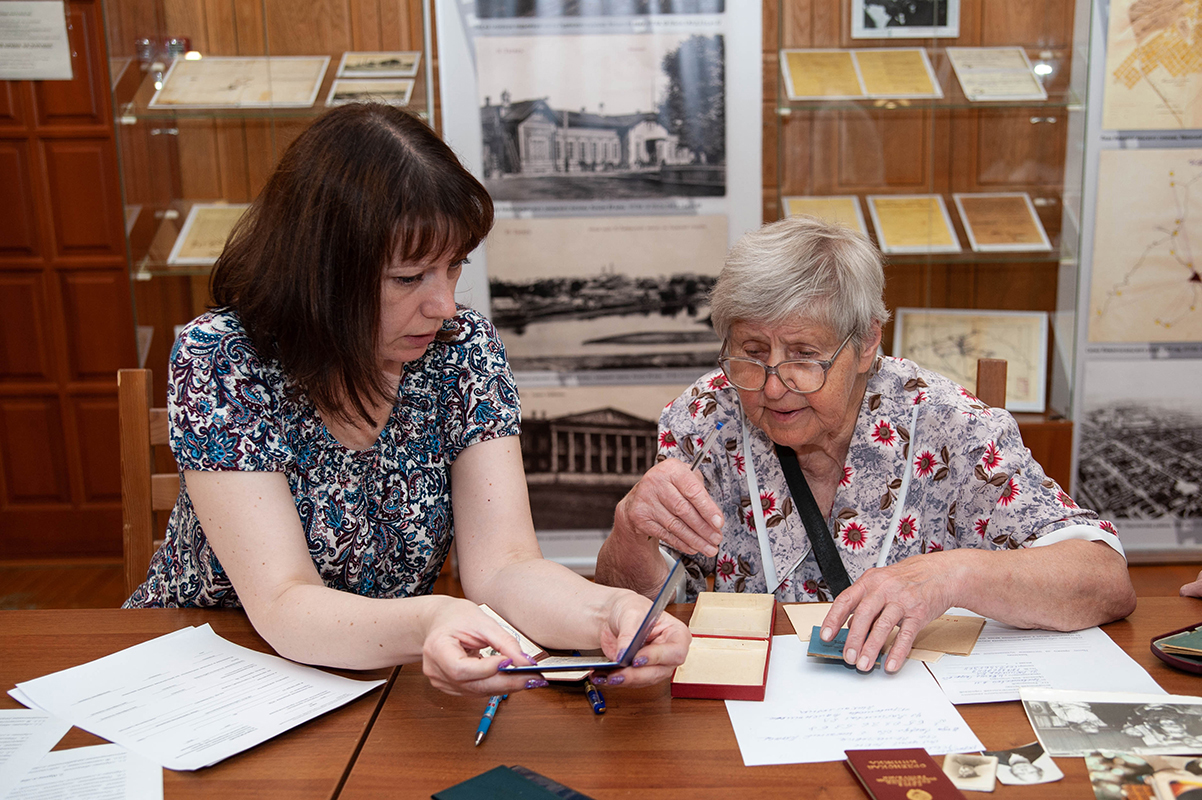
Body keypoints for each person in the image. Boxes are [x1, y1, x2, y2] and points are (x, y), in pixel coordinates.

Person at [124, 103, 689, 696]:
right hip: (209, 668)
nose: (444, 304)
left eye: (453, 268)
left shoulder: (460, 349)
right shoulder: (223, 357)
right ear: (321, 273)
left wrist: (610, 615)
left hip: (369, 677)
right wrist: (429, 619)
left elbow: (505, 566)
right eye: (408, 277)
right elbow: (283, 601)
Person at [594, 215, 1135, 674]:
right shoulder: (705, 420)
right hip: (746, 714)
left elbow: (1104, 580)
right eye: (751, 351)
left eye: (805, 355)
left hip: (916, 709)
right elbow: (636, 616)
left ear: (867, 341)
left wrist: (952, 575)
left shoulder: (949, 425)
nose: (773, 384)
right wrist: (629, 531)